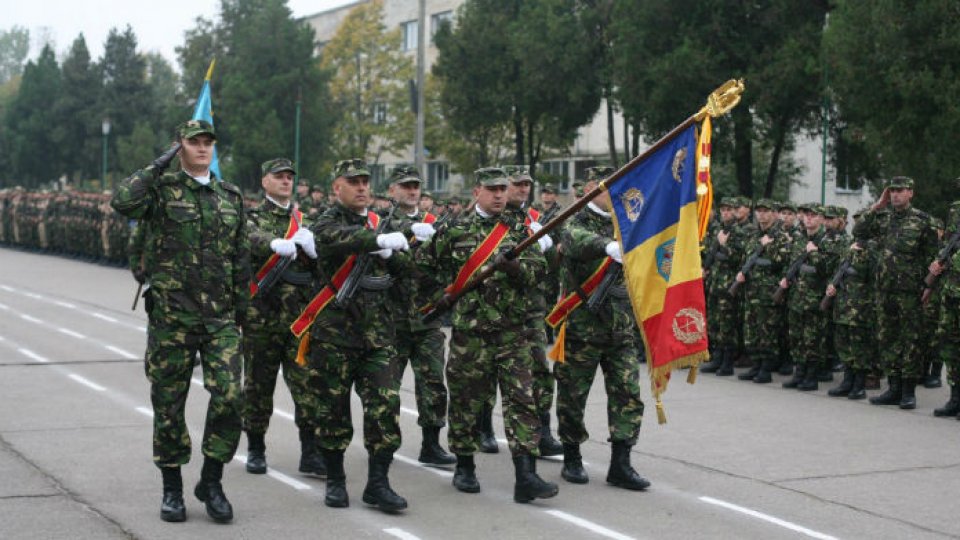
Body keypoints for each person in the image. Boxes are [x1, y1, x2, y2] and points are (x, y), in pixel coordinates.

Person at [111, 120, 250, 524]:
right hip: (173, 317)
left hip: (220, 318)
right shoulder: (162, 190)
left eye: (208, 142)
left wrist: (243, 314)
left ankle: (212, 479)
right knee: (169, 405)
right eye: (194, 142)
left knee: (229, 396)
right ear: (179, 147)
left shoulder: (230, 196)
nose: (203, 148)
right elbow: (122, 201)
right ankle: (172, 488)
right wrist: (159, 165)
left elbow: (240, 258)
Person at [417, 167, 558, 504]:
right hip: (472, 335)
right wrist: (440, 299)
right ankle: (464, 465)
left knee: (522, 401)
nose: (498, 195)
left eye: (502, 189)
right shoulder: (454, 229)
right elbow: (424, 267)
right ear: (476, 192)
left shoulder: (521, 229)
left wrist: (516, 268)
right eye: (491, 189)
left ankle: (525, 474)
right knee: (466, 402)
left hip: (515, 333)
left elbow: (540, 271)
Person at [297, 158, 410, 513]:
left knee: (385, 408)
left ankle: (378, 483)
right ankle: (335, 480)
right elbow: (333, 240)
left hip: (378, 336)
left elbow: (408, 271)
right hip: (335, 334)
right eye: (353, 182)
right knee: (331, 410)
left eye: (365, 182)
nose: (362, 188)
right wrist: (375, 239)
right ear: (337, 188)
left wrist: (392, 254)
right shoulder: (326, 222)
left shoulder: (378, 222)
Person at [551, 172, 650, 491]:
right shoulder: (574, 219)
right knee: (572, 396)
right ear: (591, 189)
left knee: (628, 395)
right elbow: (574, 241)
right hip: (582, 328)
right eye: (605, 186)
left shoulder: (628, 221)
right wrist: (607, 245)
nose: (611, 193)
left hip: (620, 330)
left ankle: (621, 463)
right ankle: (572, 457)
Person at [241, 158, 325, 478]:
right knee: (258, 387)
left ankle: (310, 452)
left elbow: (322, 267)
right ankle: (256, 448)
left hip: (297, 320)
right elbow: (248, 239)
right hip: (261, 317)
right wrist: (276, 243)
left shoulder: (306, 220)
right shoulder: (252, 217)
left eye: (290, 177)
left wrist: (316, 250)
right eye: (279, 177)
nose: (286, 182)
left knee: (307, 386)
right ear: (265, 182)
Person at [383, 164, 456, 466]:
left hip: (427, 318)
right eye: (405, 186)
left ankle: (431, 443)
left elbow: (450, 262)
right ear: (392, 191)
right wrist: (406, 231)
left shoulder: (434, 223)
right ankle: (384, 443)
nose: (412, 191)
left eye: (415, 186)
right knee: (387, 387)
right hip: (392, 320)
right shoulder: (382, 223)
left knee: (433, 384)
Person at [854, 177, 938, 409]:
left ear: (911, 192)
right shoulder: (882, 218)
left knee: (910, 340)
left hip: (910, 292)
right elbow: (857, 231)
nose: (895, 195)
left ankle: (908, 391)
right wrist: (876, 207)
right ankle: (893, 388)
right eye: (892, 191)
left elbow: (933, 257)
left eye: (900, 191)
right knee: (887, 338)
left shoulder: (923, 221)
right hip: (884, 290)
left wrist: (929, 287)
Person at [503, 164, 563, 458]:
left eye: (527, 184)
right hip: (498, 314)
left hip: (531, 312)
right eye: (518, 184)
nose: (523, 189)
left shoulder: (535, 220)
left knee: (540, 371)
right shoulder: (493, 220)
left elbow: (550, 269)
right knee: (489, 376)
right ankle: (482, 430)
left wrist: (548, 246)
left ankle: (544, 431)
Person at [779, 204, 842, 391]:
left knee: (813, 339)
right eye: (806, 215)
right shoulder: (799, 239)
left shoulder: (830, 241)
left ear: (822, 219)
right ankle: (799, 373)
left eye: (814, 216)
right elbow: (791, 264)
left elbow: (827, 270)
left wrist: (813, 252)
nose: (809, 219)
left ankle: (812, 376)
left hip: (815, 298)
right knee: (796, 337)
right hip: (796, 297)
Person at [732, 198, 792, 383]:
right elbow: (746, 257)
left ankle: (766, 367)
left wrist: (769, 246)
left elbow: (781, 261)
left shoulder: (781, 237)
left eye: (766, 211)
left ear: (774, 214)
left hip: (768, 291)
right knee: (752, 330)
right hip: (751, 291)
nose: (762, 214)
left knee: (768, 330)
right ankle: (756, 364)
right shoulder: (753, 234)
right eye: (759, 211)